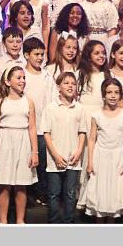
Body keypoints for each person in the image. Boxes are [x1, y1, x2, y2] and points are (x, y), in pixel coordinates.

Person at [0, 64, 37, 224]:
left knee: (21, 185)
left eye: (24, 78)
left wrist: (34, 152)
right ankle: (3, 221)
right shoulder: (0, 103)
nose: (22, 81)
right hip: (4, 143)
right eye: (18, 78)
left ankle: (20, 221)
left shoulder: (28, 102)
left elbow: (32, 127)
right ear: (8, 82)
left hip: (23, 142)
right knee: (4, 185)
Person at [79, 78, 123, 221]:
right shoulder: (96, 115)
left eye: (116, 92)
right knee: (100, 194)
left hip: (118, 158)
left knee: (114, 196)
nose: (113, 95)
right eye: (109, 92)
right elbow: (92, 139)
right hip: (100, 158)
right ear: (104, 95)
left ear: (120, 95)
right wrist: (90, 162)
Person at [43, 71, 87, 223]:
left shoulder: (79, 108)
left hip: (73, 159)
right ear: (58, 87)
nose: (70, 86)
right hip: (55, 159)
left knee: (70, 194)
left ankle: (68, 223)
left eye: (73, 83)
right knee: (54, 193)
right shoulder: (50, 108)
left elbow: (82, 131)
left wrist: (79, 151)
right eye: (66, 83)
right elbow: (46, 133)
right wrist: (55, 155)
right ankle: (54, 223)